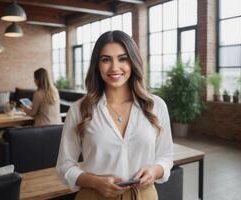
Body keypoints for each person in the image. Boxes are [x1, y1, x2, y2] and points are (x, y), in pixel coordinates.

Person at [56, 30, 173, 200]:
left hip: (144, 196)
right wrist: (96, 182)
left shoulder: (156, 106)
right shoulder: (79, 110)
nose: (114, 67)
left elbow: (166, 156)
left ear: (133, 62)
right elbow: (64, 166)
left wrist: (154, 171)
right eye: (105, 59)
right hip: (94, 196)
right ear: (97, 64)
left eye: (123, 58)